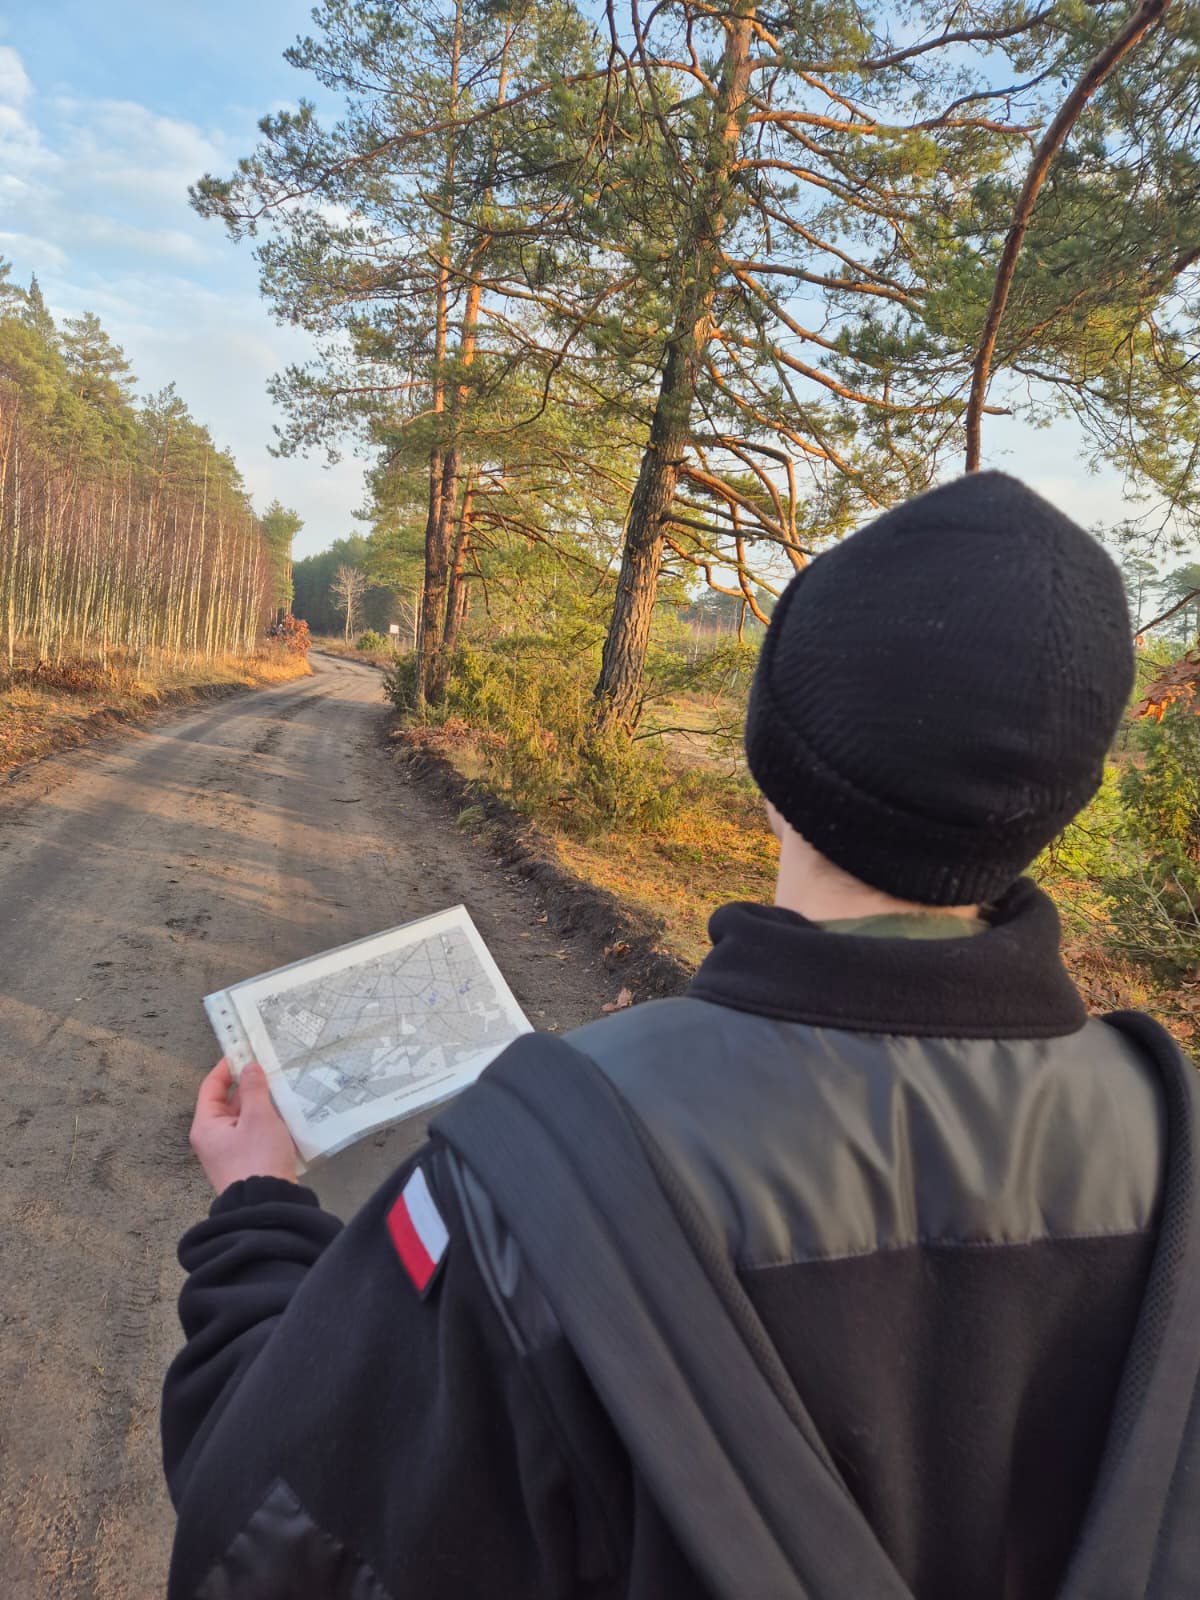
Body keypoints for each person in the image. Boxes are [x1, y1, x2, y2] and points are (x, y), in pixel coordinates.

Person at [162, 471, 1197, 1599]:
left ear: (776, 762)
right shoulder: (1176, 1150)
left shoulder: (544, 1169)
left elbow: (269, 1528)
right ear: (1058, 802)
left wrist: (254, 1209)